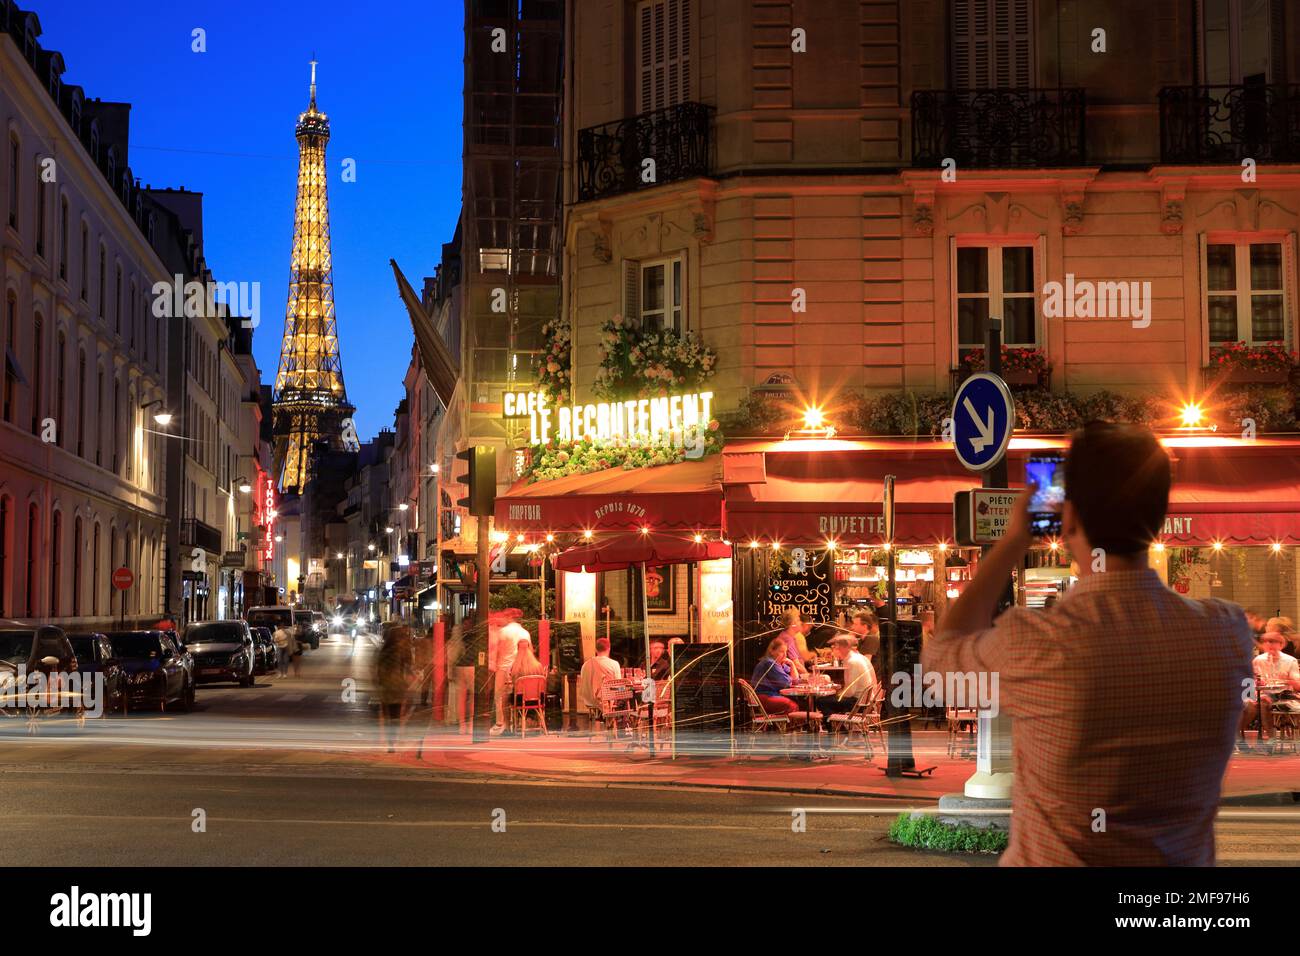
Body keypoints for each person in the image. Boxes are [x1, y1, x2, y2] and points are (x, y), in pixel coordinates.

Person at [922, 421, 1253, 866]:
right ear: (1157, 516)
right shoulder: (1226, 633)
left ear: (1068, 516)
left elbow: (942, 663)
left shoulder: (1039, 643)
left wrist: (1014, 538)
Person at [1240, 630, 1300, 751]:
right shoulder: (1258, 660)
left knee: (1264, 702)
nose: (1269, 644)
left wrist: (1286, 681)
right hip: (1261, 694)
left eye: (1273, 642)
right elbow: (1249, 682)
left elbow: (1297, 685)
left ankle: (1271, 738)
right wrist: (1255, 686)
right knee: (1248, 705)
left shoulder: (1290, 661)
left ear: (1281, 644)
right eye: (1266, 642)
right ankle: (1237, 736)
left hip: (1284, 696)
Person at [816, 635, 878, 728]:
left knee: (821, 701)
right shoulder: (859, 657)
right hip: (866, 702)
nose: (833, 651)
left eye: (835, 647)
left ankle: (837, 729)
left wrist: (837, 693)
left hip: (859, 704)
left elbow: (850, 692)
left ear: (842, 648)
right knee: (829, 699)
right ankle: (837, 727)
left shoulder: (852, 661)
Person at [375, 623, 413, 753]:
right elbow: (409, 664)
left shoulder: (383, 651)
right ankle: (393, 741)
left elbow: (378, 671)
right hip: (397, 687)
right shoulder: (400, 651)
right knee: (396, 717)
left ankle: (390, 742)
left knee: (388, 716)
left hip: (386, 688)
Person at [490, 615, 531, 736]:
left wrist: (493, 664)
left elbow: (497, 650)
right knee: (517, 696)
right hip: (520, 670)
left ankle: (501, 724)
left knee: (501, 697)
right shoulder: (525, 633)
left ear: (510, 619)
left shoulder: (503, 632)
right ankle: (518, 722)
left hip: (503, 668)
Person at [750, 637, 798, 716]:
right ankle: (788, 728)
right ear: (772, 651)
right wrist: (790, 678)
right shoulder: (769, 663)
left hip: (769, 695)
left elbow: (796, 680)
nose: (785, 655)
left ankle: (790, 727)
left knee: (801, 703)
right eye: (781, 651)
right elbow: (786, 683)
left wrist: (792, 664)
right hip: (763, 697)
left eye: (786, 651)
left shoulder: (779, 663)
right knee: (791, 705)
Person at [577, 637, 622, 714]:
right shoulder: (614, 664)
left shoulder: (585, 664)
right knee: (624, 692)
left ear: (596, 649)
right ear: (609, 649)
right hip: (606, 701)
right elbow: (618, 685)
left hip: (589, 701)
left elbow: (583, 683)